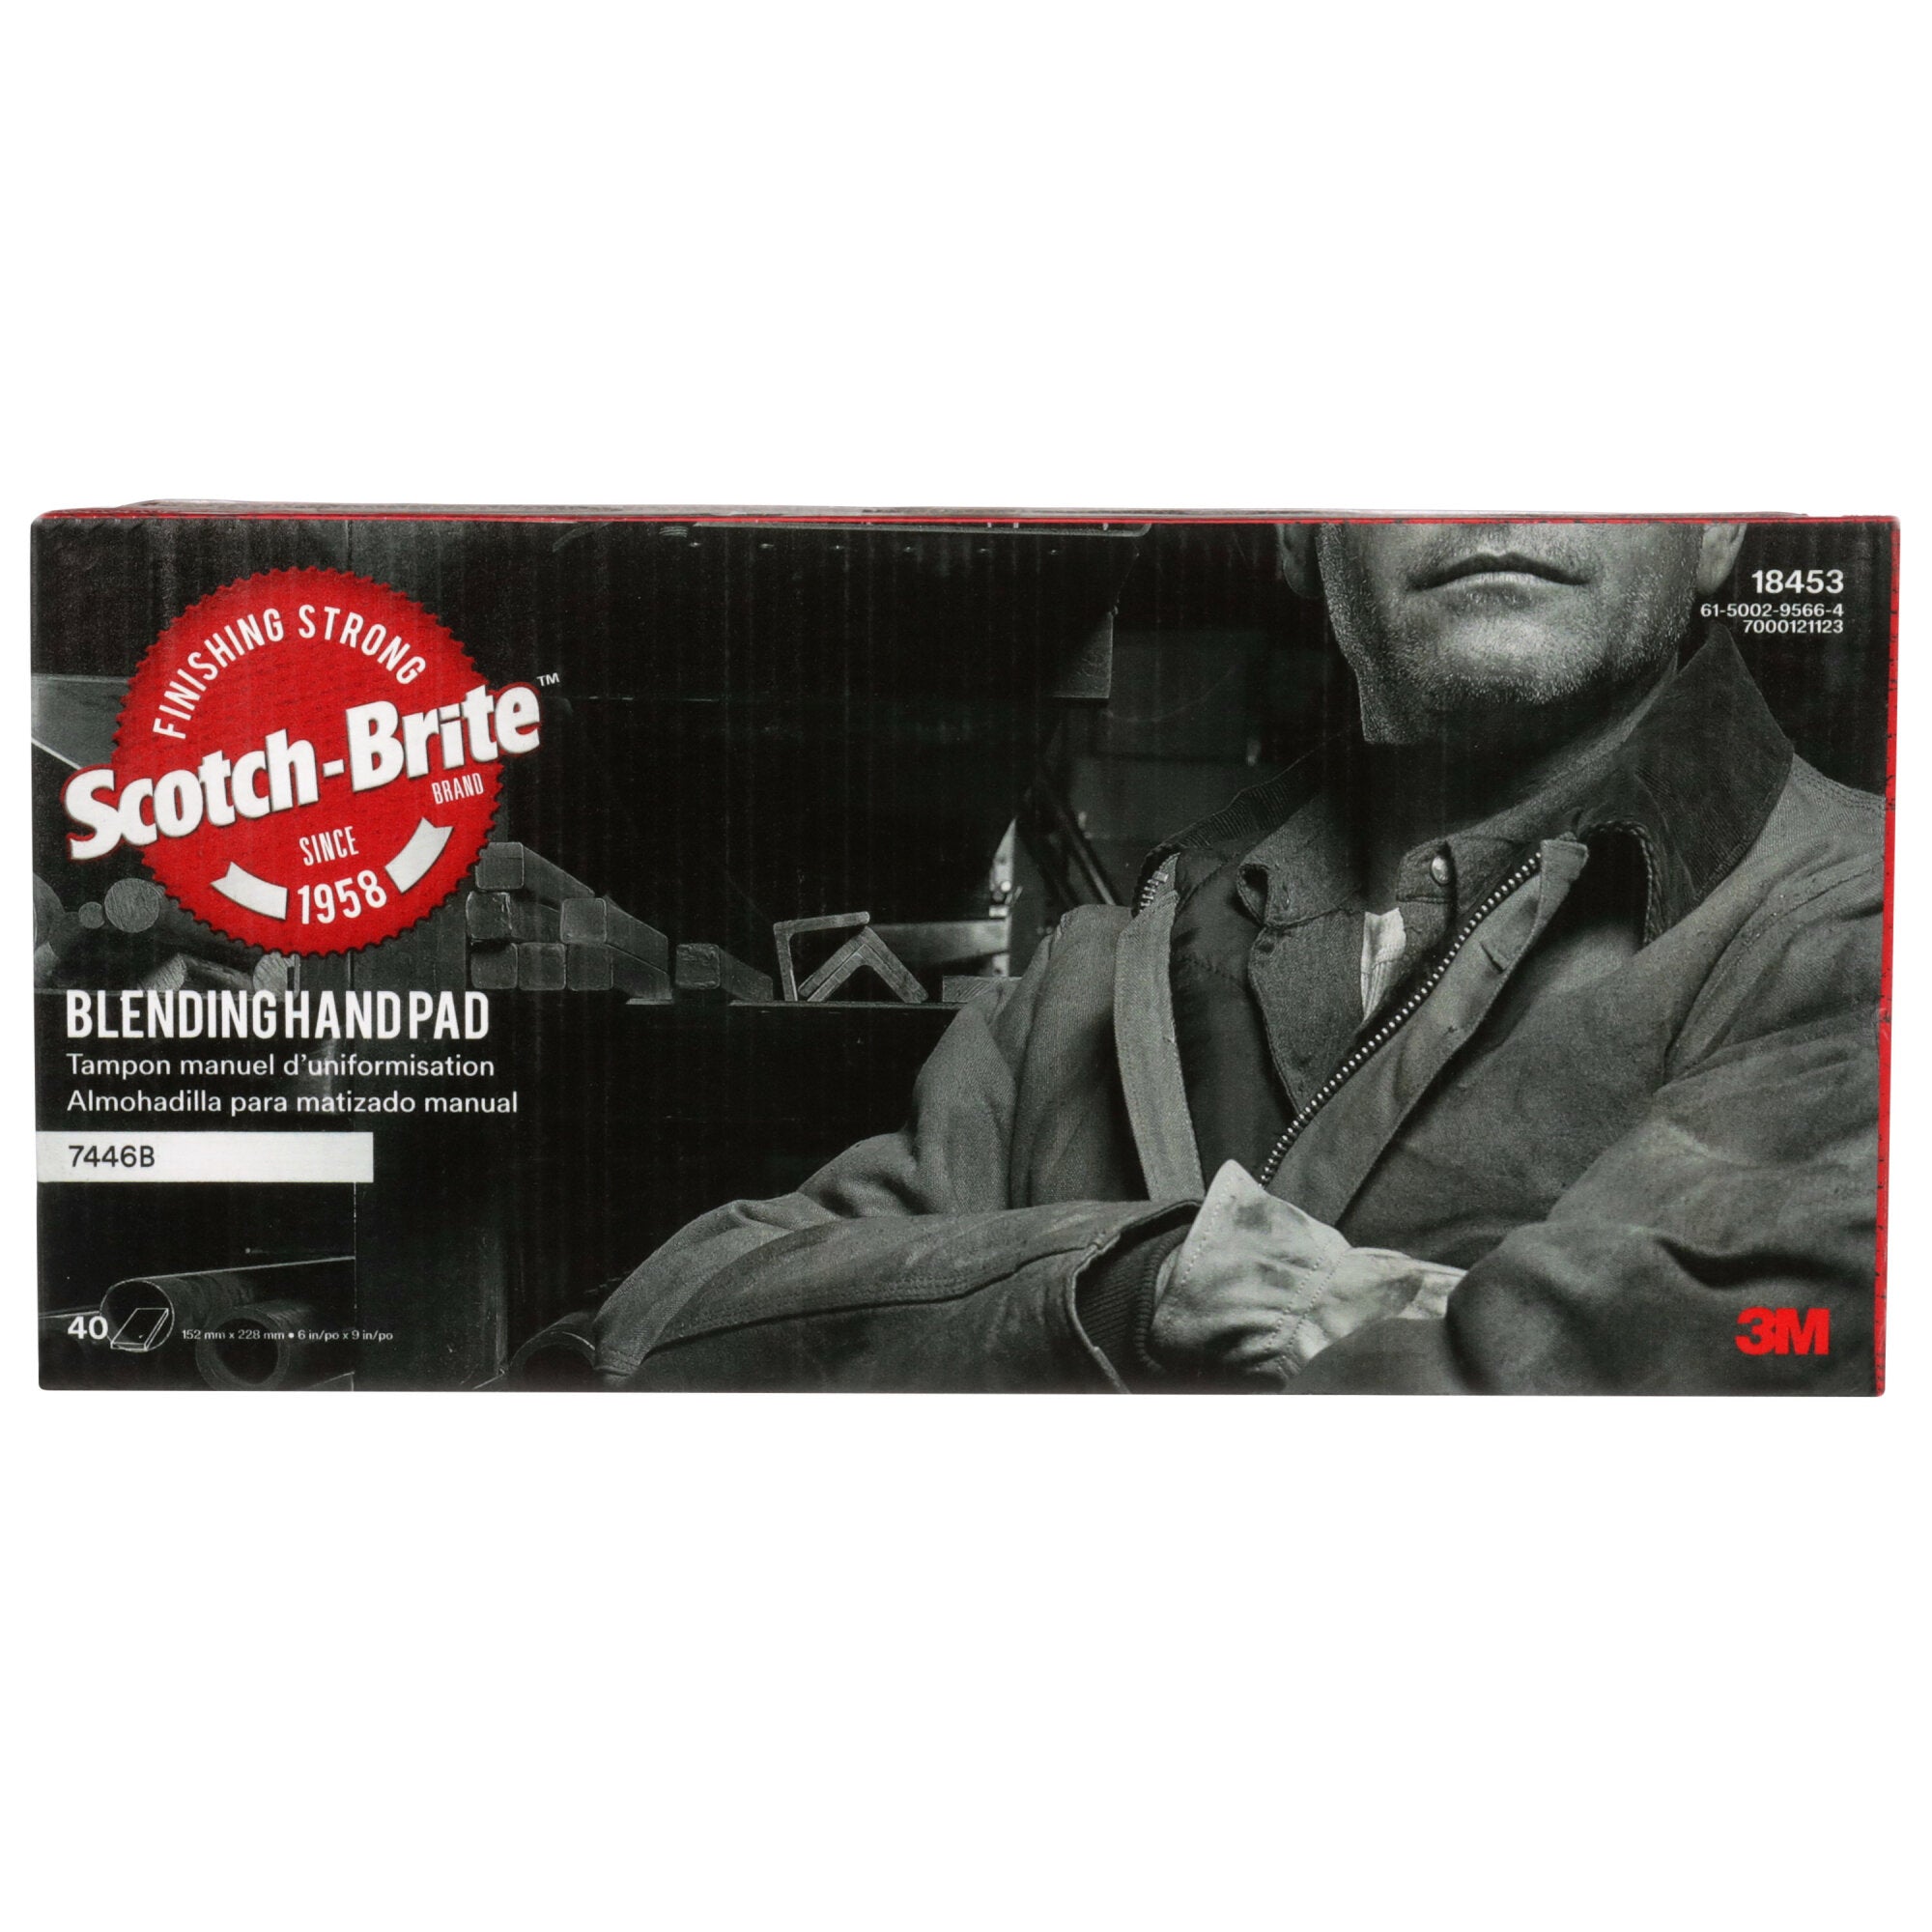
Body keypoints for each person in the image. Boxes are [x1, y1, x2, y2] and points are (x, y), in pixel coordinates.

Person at [594, 521, 1884, 1393]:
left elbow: (1717, 1367)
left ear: (1720, 526)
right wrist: (1134, 1287)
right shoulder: (1102, 971)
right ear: (1297, 535)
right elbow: (655, 1333)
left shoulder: (1864, 919)